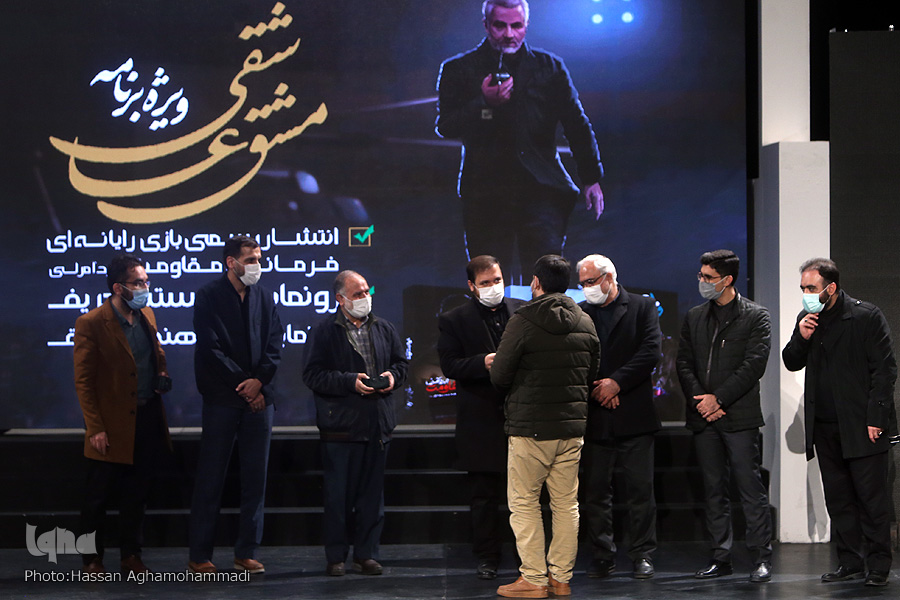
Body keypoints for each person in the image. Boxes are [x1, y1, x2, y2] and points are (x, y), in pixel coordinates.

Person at [435, 0, 605, 281]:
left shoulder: (550, 67)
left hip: (541, 190)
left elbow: (576, 123)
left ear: (526, 25)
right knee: (489, 283)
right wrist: (484, 103)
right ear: (486, 25)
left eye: (516, 25)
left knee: (544, 279)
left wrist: (591, 177)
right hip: (485, 191)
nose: (509, 34)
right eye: (500, 25)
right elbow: (445, 126)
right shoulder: (459, 68)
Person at [782, 258, 897, 588]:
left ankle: (878, 564)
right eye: (803, 288)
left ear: (830, 288)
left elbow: (885, 371)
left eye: (811, 288)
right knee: (839, 499)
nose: (806, 294)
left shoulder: (865, 316)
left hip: (862, 426)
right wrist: (801, 336)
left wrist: (876, 418)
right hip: (824, 426)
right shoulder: (807, 319)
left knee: (871, 501)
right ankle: (850, 562)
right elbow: (791, 361)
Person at [491, 254, 600, 598]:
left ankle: (534, 579)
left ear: (536, 283)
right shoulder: (585, 321)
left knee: (525, 503)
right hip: (571, 430)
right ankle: (561, 578)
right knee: (566, 505)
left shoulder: (523, 321)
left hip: (531, 429)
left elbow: (500, 375)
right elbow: (591, 373)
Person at [675, 250, 773, 583]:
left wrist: (718, 399)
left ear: (727, 280)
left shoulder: (756, 316)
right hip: (704, 418)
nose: (702, 282)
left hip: (739, 417)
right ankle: (721, 556)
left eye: (708, 277)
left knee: (750, 488)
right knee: (713, 489)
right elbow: (683, 363)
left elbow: (753, 366)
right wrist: (702, 401)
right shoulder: (694, 316)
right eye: (701, 276)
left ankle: (761, 557)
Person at [303, 270, 408, 577]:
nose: (365, 298)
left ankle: (367, 555)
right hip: (341, 427)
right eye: (358, 294)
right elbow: (312, 375)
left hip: (377, 424)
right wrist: (350, 381)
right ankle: (336, 556)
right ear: (340, 299)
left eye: (366, 292)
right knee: (338, 497)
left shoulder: (384, 327)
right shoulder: (324, 331)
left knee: (372, 497)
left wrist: (392, 377)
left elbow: (401, 364)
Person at [188, 235, 283, 575]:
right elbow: (210, 347)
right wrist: (244, 384)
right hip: (223, 398)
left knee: (255, 479)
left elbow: (275, 342)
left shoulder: (265, 296)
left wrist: (260, 383)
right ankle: (200, 554)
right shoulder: (208, 296)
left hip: (260, 400)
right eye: (251, 259)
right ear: (231, 262)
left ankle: (247, 552)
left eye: (259, 259)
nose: (257, 265)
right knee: (211, 477)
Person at [73, 254, 172, 575]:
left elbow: (156, 352)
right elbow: (84, 381)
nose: (145, 287)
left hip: (145, 416)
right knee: (97, 498)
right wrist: (95, 428)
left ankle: (131, 556)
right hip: (110, 424)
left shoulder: (147, 314)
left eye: (146, 281)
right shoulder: (91, 323)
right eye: (138, 283)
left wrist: (161, 372)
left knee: (137, 493)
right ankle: (91, 559)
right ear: (118, 287)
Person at [437, 255, 525, 579]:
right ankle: (488, 557)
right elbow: (449, 365)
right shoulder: (454, 319)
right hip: (479, 420)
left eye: (497, 280)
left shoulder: (523, 311)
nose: (493, 287)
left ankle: (526, 557)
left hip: (521, 417)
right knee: (484, 497)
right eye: (485, 283)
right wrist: (481, 363)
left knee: (524, 496)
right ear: (472, 286)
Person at [576, 254, 661, 580]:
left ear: (609, 277)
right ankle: (602, 555)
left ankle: (642, 554)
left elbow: (650, 352)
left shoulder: (642, 306)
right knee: (596, 492)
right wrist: (601, 387)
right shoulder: (581, 313)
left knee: (640, 491)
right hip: (596, 414)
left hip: (635, 415)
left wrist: (617, 383)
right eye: (582, 283)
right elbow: (577, 357)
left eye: (590, 281)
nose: (586, 288)